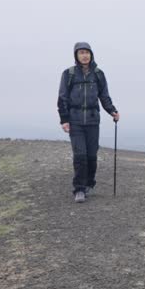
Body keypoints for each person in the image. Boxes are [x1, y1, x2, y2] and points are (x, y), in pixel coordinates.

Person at [57, 42, 120, 202]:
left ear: (91, 54)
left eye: (87, 52)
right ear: (76, 56)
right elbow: (62, 98)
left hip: (93, 120)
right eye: (81, 53)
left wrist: (112, 110)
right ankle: (79, 189)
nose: (84, 55)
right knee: (80, 156)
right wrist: (64, 120)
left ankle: (89, 183)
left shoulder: (98, 74)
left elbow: (104, 96)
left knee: (92, 156)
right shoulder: (69, 74)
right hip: (75, 120)